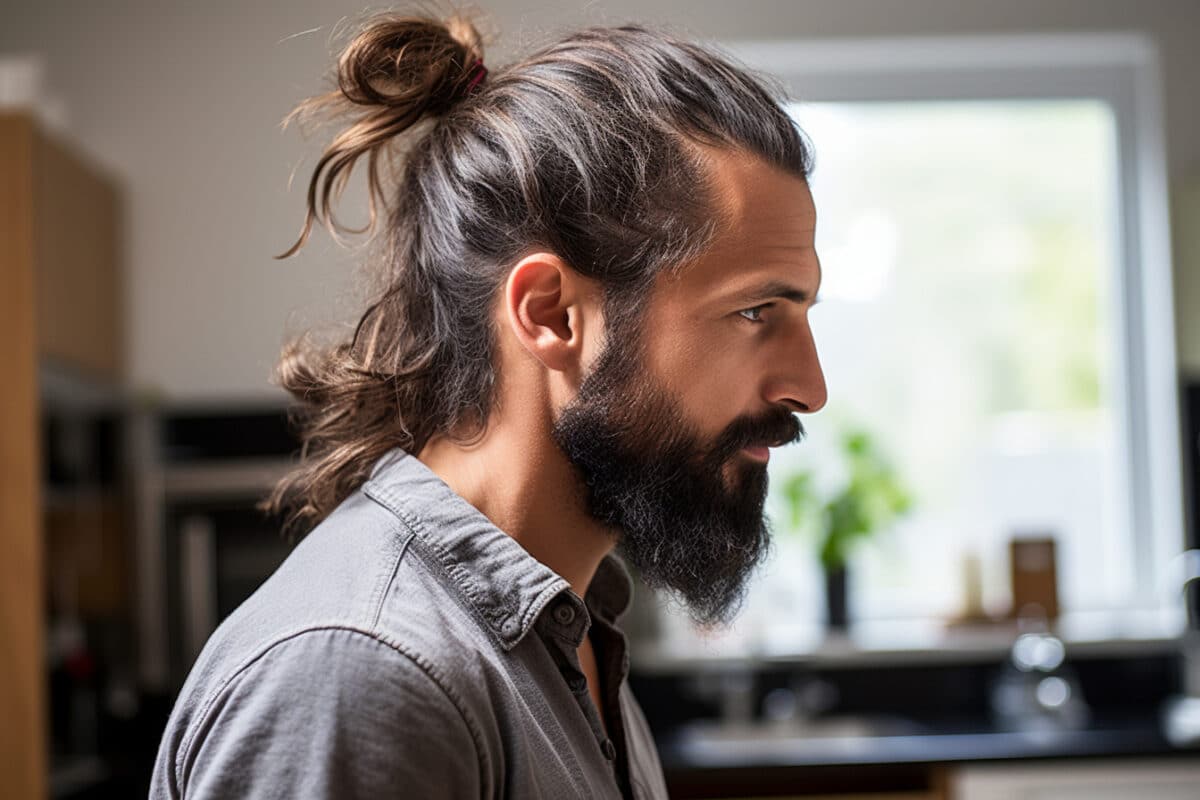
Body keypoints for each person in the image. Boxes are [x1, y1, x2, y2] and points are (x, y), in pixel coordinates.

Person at [151, 8, 825, 799]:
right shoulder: (365, 675)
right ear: (550, 314)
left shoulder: (572, 634)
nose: (807, 387)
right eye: (755, 313)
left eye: (803, 316)